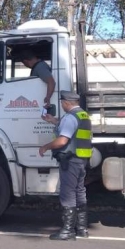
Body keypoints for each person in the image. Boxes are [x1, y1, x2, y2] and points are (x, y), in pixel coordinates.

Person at [39, 91, 93, 240]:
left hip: (70, 160)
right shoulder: (82, 115)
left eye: (62, 103)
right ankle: (82, 228)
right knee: (79, 191)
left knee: (68, 193)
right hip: (81, 159)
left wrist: (45, 147)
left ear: (67, 103)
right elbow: (73, 130)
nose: (62, 105)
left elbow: (62, 141)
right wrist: (54, 121)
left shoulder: (70, 118)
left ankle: (68, 231)